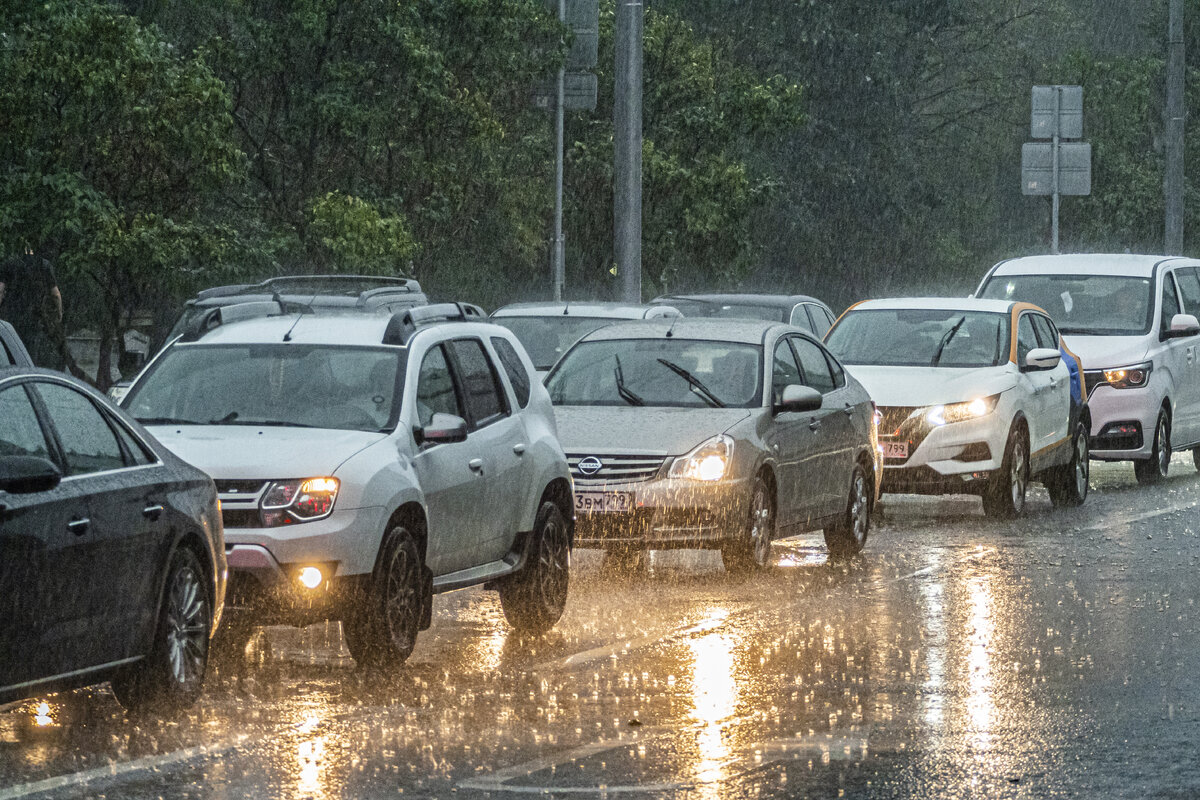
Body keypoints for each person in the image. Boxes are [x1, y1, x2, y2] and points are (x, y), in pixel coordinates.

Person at [0, 249, 65, 370]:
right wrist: (59, 311)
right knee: (29, 354)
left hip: (11, 318)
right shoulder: (43, 265)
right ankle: (28, 376)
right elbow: (55, 294)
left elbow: (1, 290)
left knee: (10, 351)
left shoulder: (9, 263)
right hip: (34, 320)